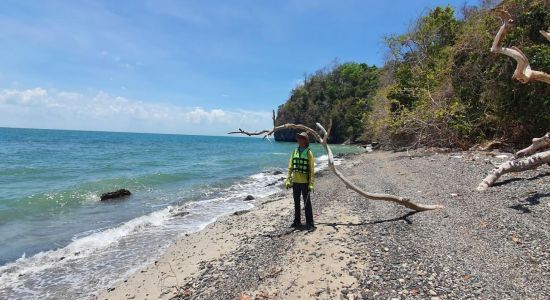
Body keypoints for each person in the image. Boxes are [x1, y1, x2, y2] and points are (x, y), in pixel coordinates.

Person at [285, 132, 315, 231]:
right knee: (296, 202)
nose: (299, 140)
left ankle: (310, 223)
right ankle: (297, 221)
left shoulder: (308, 152)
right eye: (299, 138)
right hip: (296, 181)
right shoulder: (294, 151)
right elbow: (290, 166)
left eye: (302, 138)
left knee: (307, 203)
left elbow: (311, 169)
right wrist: (288, 178)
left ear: (305, 141)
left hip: (305, 182)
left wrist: (311, 183)